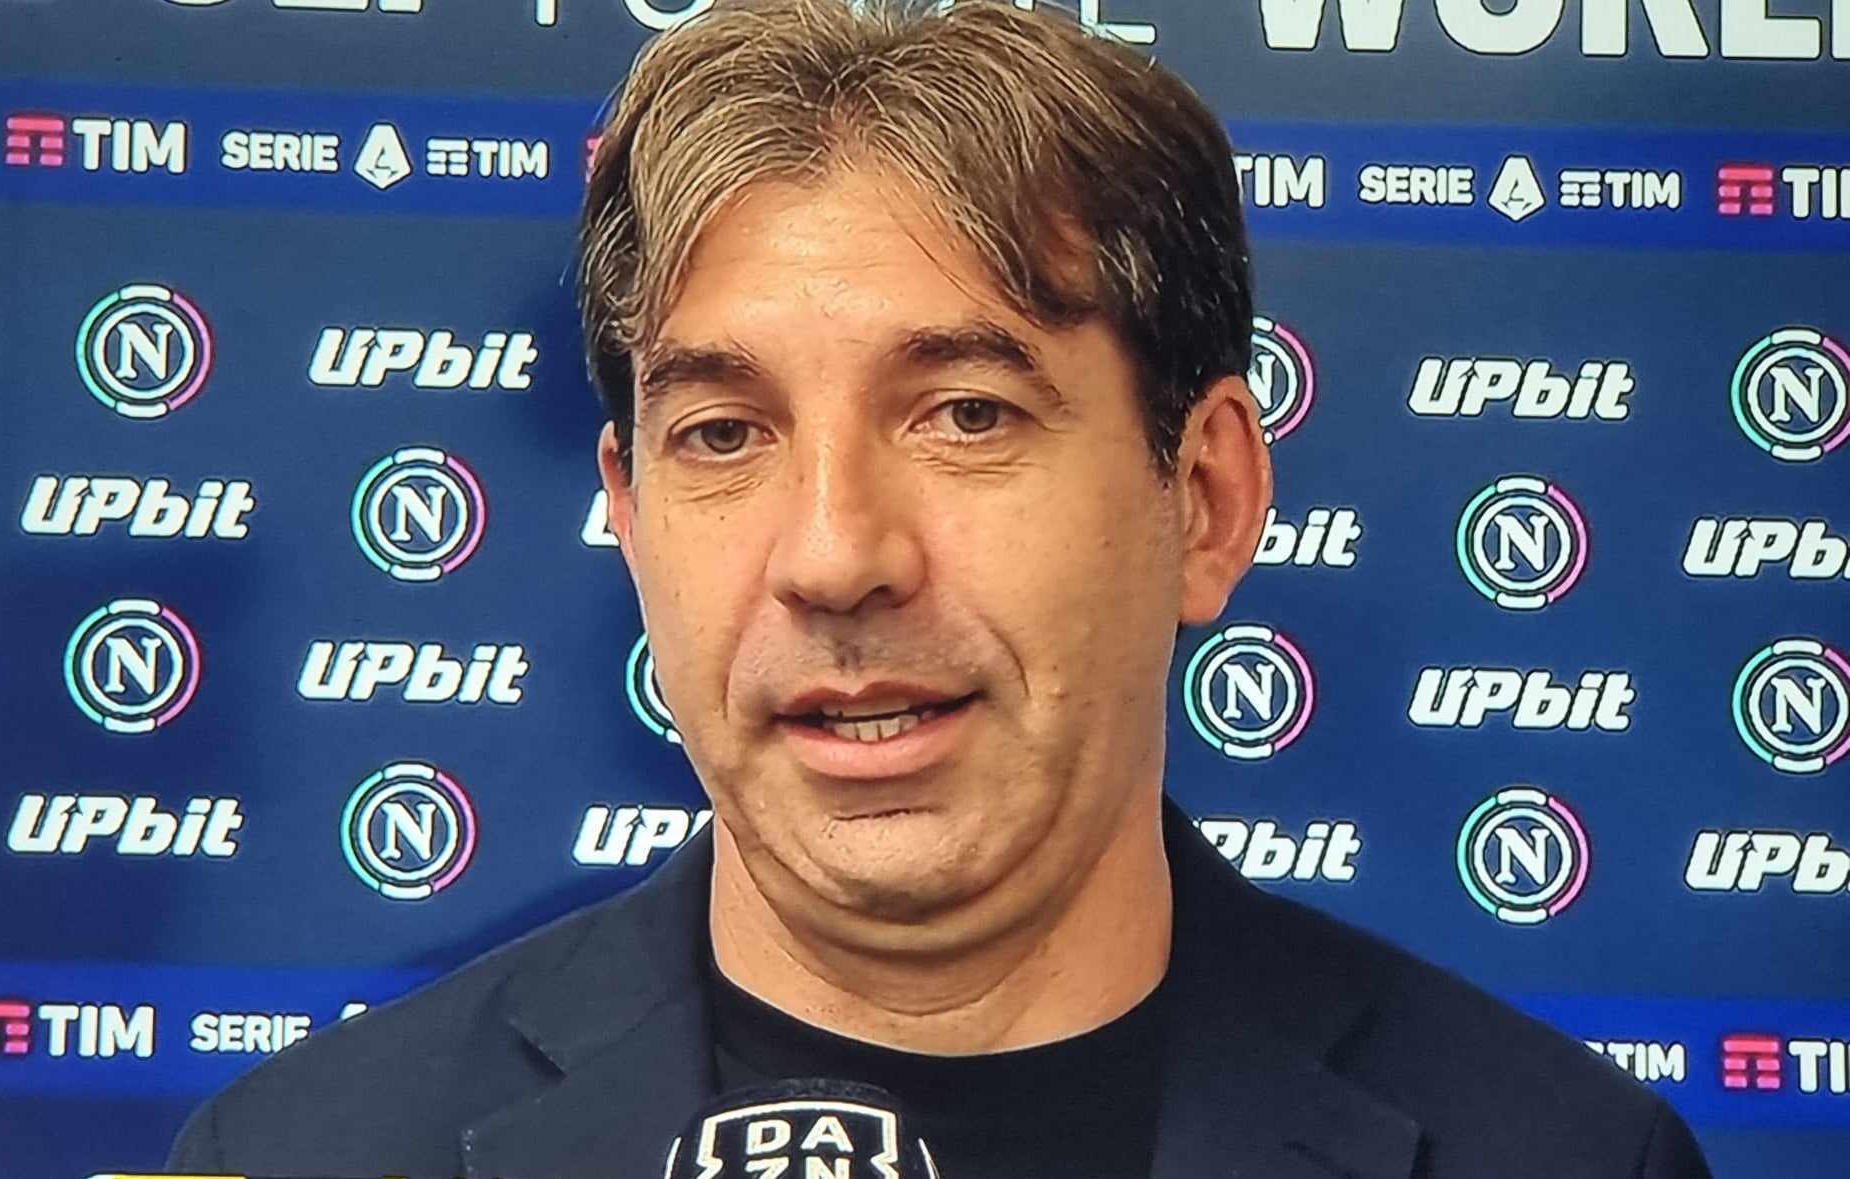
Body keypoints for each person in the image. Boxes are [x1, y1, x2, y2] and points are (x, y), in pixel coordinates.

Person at [168, 2, 1713, 1176]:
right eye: (725, 434)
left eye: (967, 414)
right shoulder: (303, 1152)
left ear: (1206, 498)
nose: (836, 556)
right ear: (629, 516)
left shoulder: (1568, 1157)